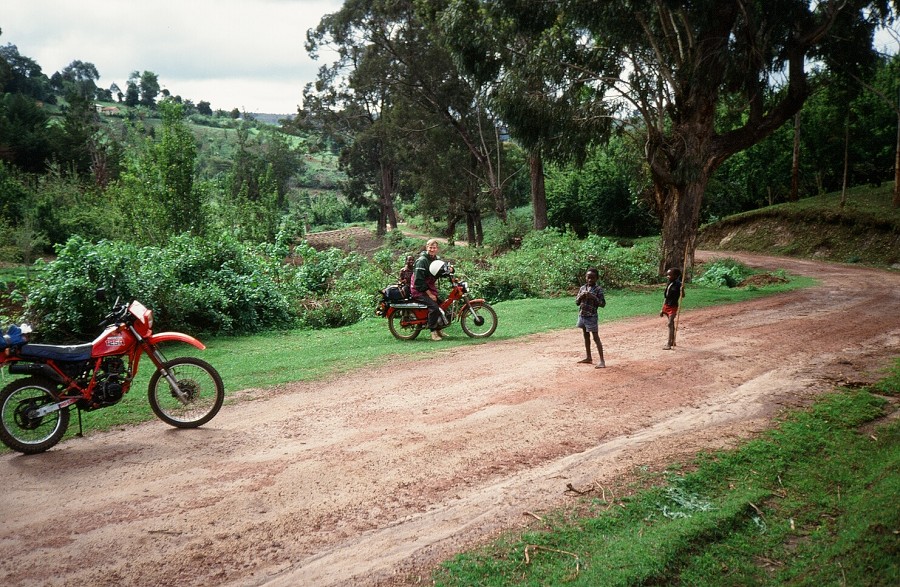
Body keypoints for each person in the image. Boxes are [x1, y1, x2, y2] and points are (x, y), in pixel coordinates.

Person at [410, 239, 445, 341]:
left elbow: (442, 269)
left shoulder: (436, 259)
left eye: (434, 248)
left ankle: (439, 329)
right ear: (426, 248)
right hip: (418, 290)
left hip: (429, 288)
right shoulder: (422, 261)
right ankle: (433, 332)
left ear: (437, 249)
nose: (432, 249)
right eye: (430, 247)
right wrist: (430, 294)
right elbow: (419, 282)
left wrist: (451, 270)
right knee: (434, 307)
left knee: (442, 304)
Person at [576, 267, 606, 368]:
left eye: (592, 278)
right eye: (588, 277)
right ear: (585, 277)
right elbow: (577, 302)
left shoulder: (598, 289)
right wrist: (581, 296)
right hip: (582, 315)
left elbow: (603, 304)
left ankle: (602, 361)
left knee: (596, 338)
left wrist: (594, 297)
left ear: (596, 278)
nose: (590, 280)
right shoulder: (582, 288)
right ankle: (588, 357)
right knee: (586, 336)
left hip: (591, 316)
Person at [660, 267, 684, 350]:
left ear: (676, 276)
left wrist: (682, 290)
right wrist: (662, 308)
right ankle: (673, 341)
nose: (668, 276)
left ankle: (669, 344)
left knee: (670, 323)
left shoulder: (679, 284)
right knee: (671, 324)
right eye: (667, 274)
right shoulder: (669, 282)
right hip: (666, 305)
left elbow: (682, 296)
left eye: (669, 275)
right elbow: (666, 296)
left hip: (673, 306)